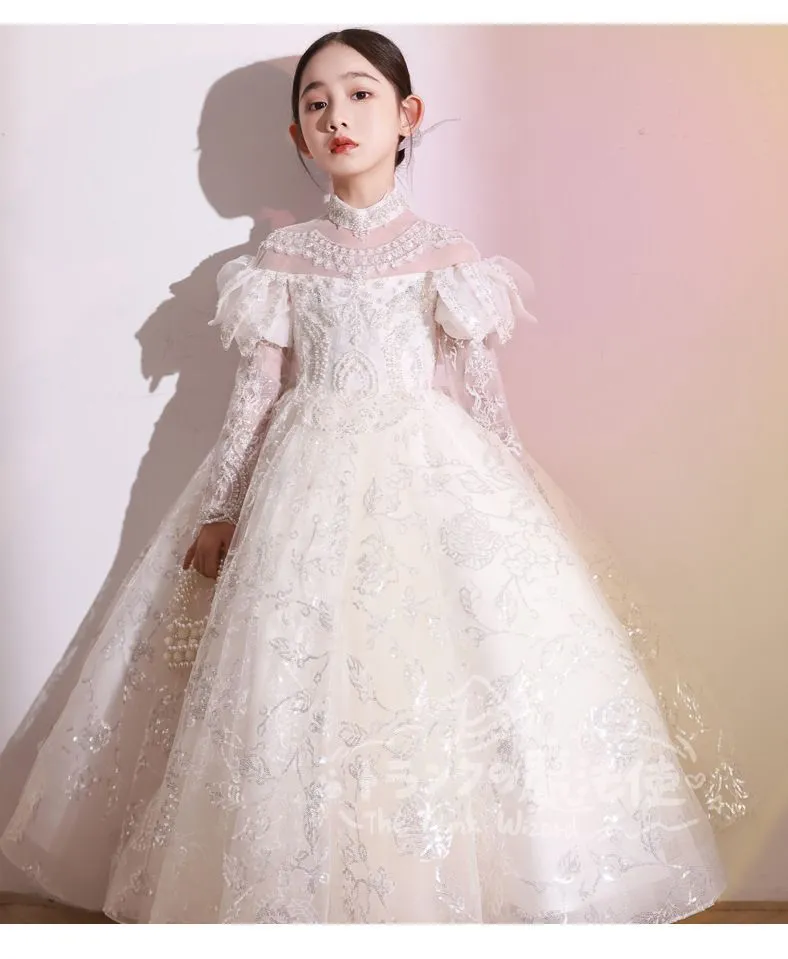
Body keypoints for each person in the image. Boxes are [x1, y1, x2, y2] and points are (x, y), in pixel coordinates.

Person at [0, 28, 748, 924]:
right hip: (305, 485)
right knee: (296, 678)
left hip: (428, 477)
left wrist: (518, 499)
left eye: (360, 94)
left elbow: (480, 399)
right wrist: (222, 506)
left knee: (438, 675)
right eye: (315, 104)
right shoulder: (283, 260)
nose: (337, 116)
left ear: (407, 116)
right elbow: (254, 399)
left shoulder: (445, 254)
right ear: (297, 136)